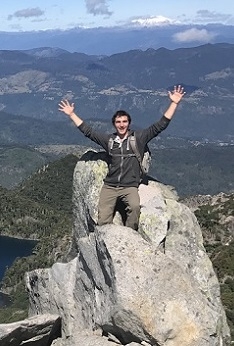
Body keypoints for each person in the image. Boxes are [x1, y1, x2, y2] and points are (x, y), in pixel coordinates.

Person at [58, 85, 185, 230]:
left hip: (129, 187)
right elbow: (88, 132)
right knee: (103, 220)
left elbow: (160, 125)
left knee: (135, 208)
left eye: (124, 122)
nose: (121, 125)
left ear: (129, 123)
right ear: (114, 124)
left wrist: (174, 103)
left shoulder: (139, 138)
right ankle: (106, 243)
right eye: (118, 122)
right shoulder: (109, 141)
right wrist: (71, 114)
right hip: (110, 186)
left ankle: (130, 235)